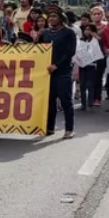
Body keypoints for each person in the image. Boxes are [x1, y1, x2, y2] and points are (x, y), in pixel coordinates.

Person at [40, 9, 76, 138]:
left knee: (65, 101)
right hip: (47, 72)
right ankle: (50, 127)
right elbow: (37, 49)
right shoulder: (45, 33)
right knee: (50, 101)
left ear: (61, 18)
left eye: (54, 16)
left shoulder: (69, 33)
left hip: (63, 72)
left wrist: (57, 65)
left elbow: (70, 52)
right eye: (50, 17)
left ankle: (69, 129)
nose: (51, 19)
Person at [73, 23, 104, 111]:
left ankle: (90, 103)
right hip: (82, 65)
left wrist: (96, 37)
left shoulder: (96, 41)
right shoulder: (81, 40)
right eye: (86, 29)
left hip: (92, 66)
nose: (87, 32)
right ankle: (83, 104)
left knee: (90, 84)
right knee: (82, 85)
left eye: (89, 30)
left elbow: (100, 50)